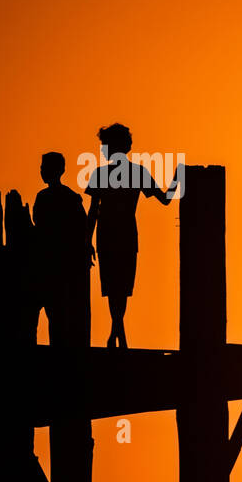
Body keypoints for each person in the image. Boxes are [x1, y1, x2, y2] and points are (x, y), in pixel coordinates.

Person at [85, 123, 174, 349]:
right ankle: (118, 334)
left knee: (114, 287)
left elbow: (93, 211)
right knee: (121, 288)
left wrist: (86, 240)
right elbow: (165, 199)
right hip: (125, 234)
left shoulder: (100, 173)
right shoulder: (137, 172)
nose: (103, 149)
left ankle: (117, 333)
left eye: (104, 145)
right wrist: (177, 178)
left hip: (107, 234)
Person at [32, 152, 92, 345]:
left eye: (44, 167)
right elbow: (83, 227)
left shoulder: (43, 198)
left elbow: (38, 227)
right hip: (66, 263)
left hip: (50, 263)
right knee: (63, 313)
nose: (41, 170)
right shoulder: (71, 198)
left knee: (54, 312)